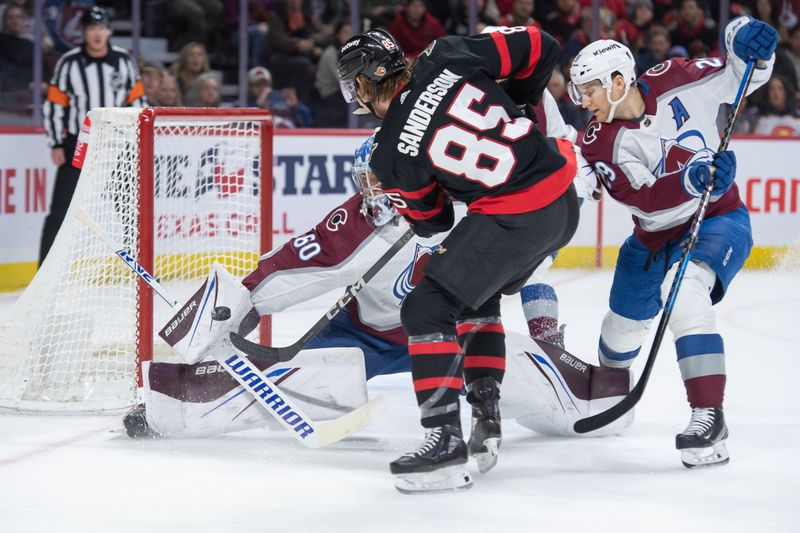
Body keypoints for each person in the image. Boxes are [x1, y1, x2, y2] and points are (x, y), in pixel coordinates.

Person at [144, 134, 631, 444]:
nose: (372, 192)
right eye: (367, 181)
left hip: (452, 334)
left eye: (381, 179)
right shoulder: (355, 223)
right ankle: (175, 401)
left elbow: (526, 252)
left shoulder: (463, 210)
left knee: (534, 374)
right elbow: (286, 270)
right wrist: (228, 314)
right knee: (288, 378)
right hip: (366, 336)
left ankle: (598, 400)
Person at [337, 26, 581, 493]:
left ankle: (442, 440)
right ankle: (485, 414)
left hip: (516, 213)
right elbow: (543, 46)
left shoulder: (388, 154)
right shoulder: (446, 53)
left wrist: (428, 180)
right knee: (473, 296)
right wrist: (521, 105)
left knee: (425, 307)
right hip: (560, 199)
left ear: (365, 84)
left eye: (354, 87)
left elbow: (432, 222)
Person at [567, 16, 779, 468]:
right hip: (653, 237)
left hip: (718, 219)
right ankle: (607, 398)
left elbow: (743, 75)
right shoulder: (598, 144)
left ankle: (709, 416)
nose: (583, 101)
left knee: (683, 295)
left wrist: (747, 41)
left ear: (619, 82)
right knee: (618, 333)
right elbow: (649, 201)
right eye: (579, 91)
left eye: (590, 90)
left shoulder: (677, 77)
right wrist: (691, 178)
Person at [40, 6, 145, 265]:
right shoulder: (69, 63)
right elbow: (54, 105)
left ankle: (141, 265)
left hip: (117, 143)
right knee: (61, 209)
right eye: (91, 29)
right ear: (83, 32)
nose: (97, 34)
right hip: (79, 143)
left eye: (101, 28)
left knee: (129, 208)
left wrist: (136, 138)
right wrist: (55, 142)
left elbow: (138, 102)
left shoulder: (124, 60)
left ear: (109, 30)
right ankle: (44, 269)